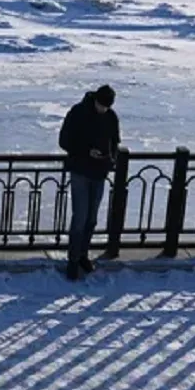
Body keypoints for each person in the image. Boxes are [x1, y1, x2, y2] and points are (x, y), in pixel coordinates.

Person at [58, 85, 120, 281]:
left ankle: (83, 255)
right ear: (95, 100)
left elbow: (115, 141)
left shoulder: (111, 116)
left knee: (92, 218)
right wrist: (86, 151)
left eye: (107, 107)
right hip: (80, 171)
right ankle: (73, 260)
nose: (104, 109)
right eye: (101, 105)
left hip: (99, 173)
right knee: (80, 217)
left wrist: (111, 159)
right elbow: (64, 141)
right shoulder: (78, 112)